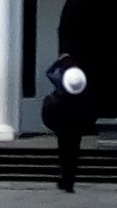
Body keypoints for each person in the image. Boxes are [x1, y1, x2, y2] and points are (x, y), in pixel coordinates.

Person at [38, 52, 98, 194]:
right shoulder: (82, 92)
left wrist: (59, 62)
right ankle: (69, 180)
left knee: (64, 154)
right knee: (73, 154)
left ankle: (65, 179)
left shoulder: (60, 87)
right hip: (76, 127)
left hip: (62, 126)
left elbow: (49, 72)